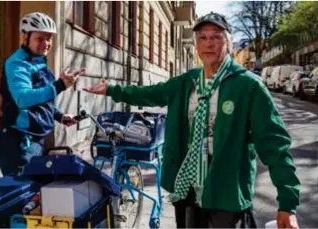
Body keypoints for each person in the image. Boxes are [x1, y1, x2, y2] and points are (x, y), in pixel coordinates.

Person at [84, 12, 300, 228]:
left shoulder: (248, 86)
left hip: (226, 190)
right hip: (187, 186)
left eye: (216, 37)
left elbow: (275, 146)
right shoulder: (187, 82)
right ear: (196, 46)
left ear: (228, 44)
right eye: (202, 38)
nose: (208, 44)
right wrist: (112, 90)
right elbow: (149, 93)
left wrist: (287, 204)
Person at [0, 12, 85, 176]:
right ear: (25, 37)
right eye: (40, 39)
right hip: (19, 141)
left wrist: (58, 115)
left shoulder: (38, 62)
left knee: (34, 192)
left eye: (49, 38)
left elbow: (41, 100)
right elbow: (23, 98)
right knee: (21, 195)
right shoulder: (17, 64)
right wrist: (60, 85)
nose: (46, 43)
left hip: (35, 138)